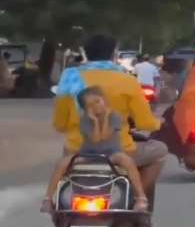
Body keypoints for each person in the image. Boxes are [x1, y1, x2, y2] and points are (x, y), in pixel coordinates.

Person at [53, 35, 168, 210]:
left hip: (78, 150)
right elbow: (145, 123)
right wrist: (159, 123)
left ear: (85, 54)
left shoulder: (69, 77)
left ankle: (59, 207)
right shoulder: (126, 80)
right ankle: (136, 199)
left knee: (65, 166)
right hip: (119, 149)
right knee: (160, 151)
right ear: (114, 54)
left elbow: (59, 124)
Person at [41, 86, 148, 213]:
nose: (96, 106)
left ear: (104, 100)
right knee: (62, 163)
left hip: (112, 153)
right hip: (88, 153)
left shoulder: (114, 117)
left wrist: (106, 118)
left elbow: (105, 136)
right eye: (90, 105)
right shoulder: (85, 119)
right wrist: (95, 121)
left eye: (97, 101)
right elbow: (96, 139)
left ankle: (140, 198)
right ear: (85, 108)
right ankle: (47, 199)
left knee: (128, 162)